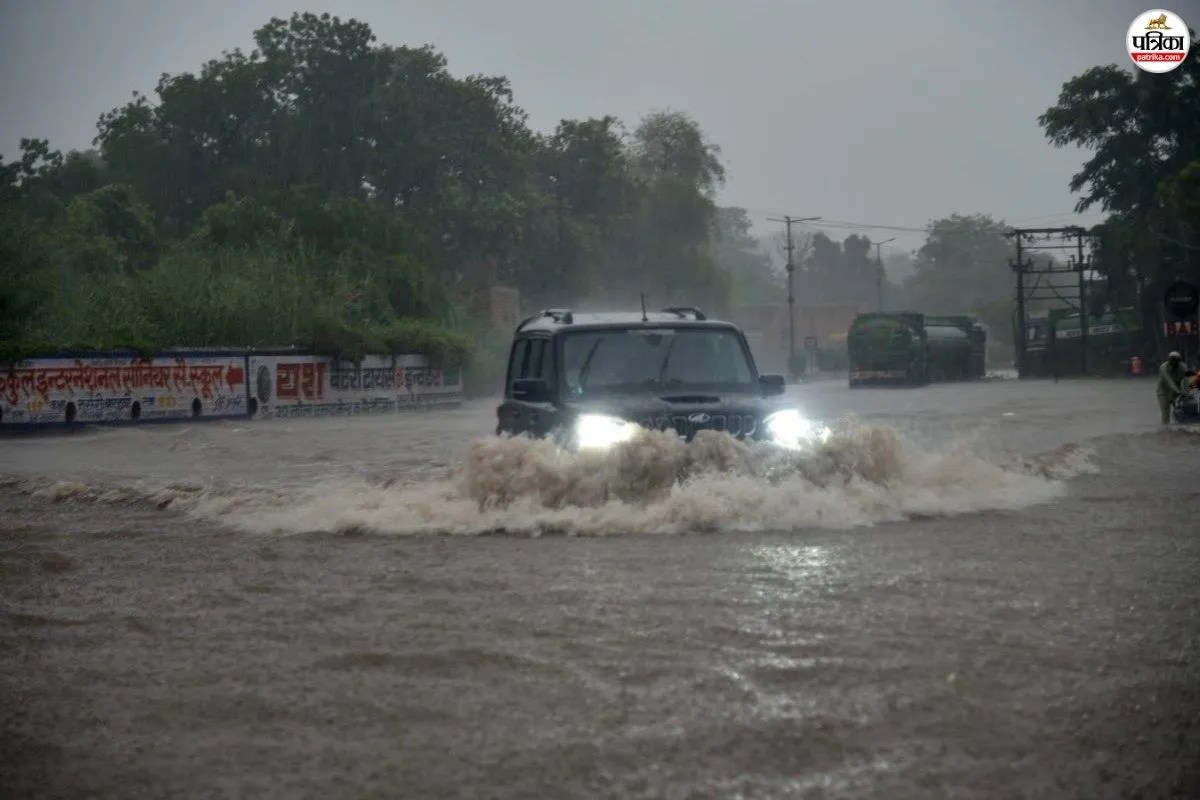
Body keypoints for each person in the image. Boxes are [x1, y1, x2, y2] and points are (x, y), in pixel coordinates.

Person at [1156, 351, 1188, 424]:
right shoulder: (1163, 367)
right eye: (1172, 360)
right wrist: (1179, 391)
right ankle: (1165, 428)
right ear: (1169, 360)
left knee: (1183, 410)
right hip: (1163, 392)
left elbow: (1186, 381)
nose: (1173, 362)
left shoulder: (1183, 367)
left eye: (1175, 361)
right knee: (1165, 411)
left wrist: (1186, 393)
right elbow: (1169, 382)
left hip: (1177, 391)